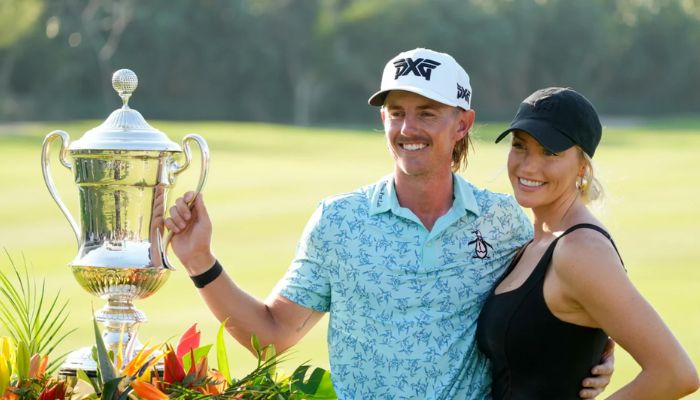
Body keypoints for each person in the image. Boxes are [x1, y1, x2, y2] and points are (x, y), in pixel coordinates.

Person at [164, 49, 613, 399]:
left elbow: (553, 303)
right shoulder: (338, 222)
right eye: (396, 112)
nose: (408, 128)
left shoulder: (503, 222)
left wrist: (592, 351)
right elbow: (274, 334)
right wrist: (201, 261)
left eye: (427, 113)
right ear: (383, 118)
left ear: (462, 124)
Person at [476, 87, 699, 399]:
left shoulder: (580, 250)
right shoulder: (535, 241)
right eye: (519, 146)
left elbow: (675, 374)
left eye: (549, 152)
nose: (528, 166)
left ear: (582, 166)